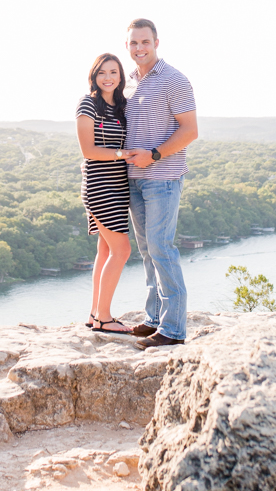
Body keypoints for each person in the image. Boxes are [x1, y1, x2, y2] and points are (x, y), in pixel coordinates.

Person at [123, 18, 198, 348]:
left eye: (145, 42)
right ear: (128, 46)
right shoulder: (129, 83)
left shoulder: (174, 79)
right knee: (147, 251)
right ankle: (154, 318)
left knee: (162, 249)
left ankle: (173, 329)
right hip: (134, 180)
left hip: (163, 178)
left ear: (156, 42)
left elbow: (190, 131)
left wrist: (154, 155)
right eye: (133, 43)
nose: (139, 48)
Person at [75, 53, 135, 334]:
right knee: (122, 250)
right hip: (100, 185)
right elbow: (88, 151)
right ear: (94, 77)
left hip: (119, 184)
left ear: (120, 76)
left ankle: (94, 313)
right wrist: (123, 154)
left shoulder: (122, 107)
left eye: (113, 72)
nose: (108, 77)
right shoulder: (88, 104)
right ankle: (105, 318)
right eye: (102, 73)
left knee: (106, 249)